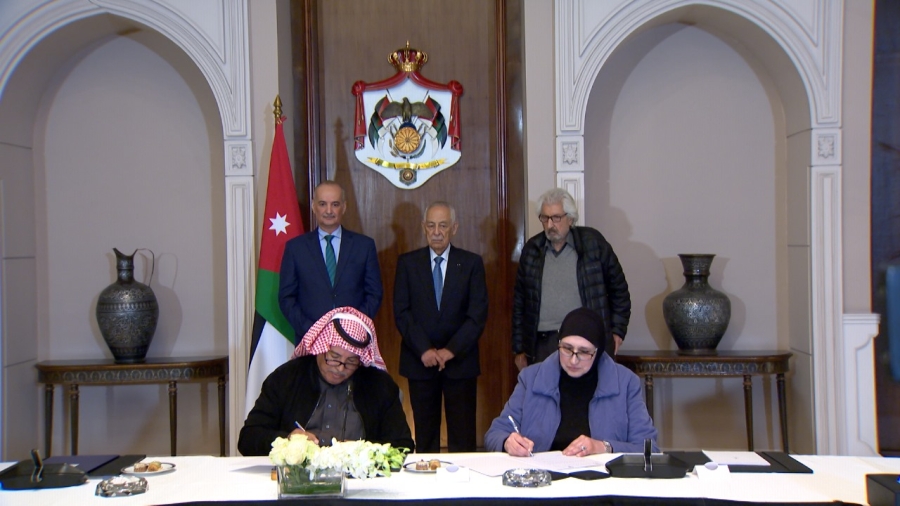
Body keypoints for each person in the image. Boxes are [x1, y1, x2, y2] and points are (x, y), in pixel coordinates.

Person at [238, 307, 414, 455]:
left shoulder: (379, 386)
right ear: (319, 347)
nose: (340, 368)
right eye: (334, 358)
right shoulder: (286, 378)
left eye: (351, 362)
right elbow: (248, 438)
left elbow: (403, 445)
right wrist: (287, 441)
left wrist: (363, 450)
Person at [485, 307, 657, 456]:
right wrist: (507, 441)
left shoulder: (625, 382)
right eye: (567, 349)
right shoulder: (531, 378)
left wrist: (603, 447)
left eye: (584, 352)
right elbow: (495, 434)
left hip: (601, 479)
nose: (573, 360)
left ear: (598, 352)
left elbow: (649, 448)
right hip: (542, 476)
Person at [394, 201, 488, 453]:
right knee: (425, 437)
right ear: (423, 227)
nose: (436, 232)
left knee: (463, 436)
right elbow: (402, 312)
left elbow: (477, 315)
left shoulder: (471, 263)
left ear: (454, 228)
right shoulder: (408, 263)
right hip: (419, 362)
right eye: (431, 225)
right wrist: (424, 349)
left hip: (460, 362)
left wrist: (450, 350)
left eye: (443, 226)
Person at [512, 188, 630, 370]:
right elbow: (520, 302)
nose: (550, 224)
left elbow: (619, 291)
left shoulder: (593, 243)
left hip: (587, 340)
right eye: (545, 218)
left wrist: (617, 331)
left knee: (590, 389)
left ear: (571, 218)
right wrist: (519, 348)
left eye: (556, 218)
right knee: (545, 389)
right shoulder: (532, 250)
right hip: (543, 344)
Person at [279, 180, 382, 340]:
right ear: (314, 206)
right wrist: (313, 331)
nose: (328, 211)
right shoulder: (295, 248)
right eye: (322, 204)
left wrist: (352, 328)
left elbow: (374, 294)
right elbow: (287, 298)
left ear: (344, 207)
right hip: (310, 339)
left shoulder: (364, 246)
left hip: (353, 340)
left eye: (335, 204)